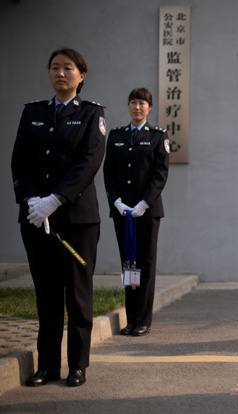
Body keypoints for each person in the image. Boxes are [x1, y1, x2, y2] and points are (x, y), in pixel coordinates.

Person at [11, 48, 106, 387]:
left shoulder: (92, 114)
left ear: (82, 75)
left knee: (78, 295)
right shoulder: (33, 112)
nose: (60, 73)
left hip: (77, 221)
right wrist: (32, 200)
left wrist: (56, 199)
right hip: (37, 219)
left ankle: (77, 365)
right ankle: (48, 366)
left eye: (68, 68)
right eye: (54, 67)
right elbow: (20, 160)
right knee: (47, 294)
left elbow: (89, 162)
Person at [103, 87, 170, 337]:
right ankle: (130, 319)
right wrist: (117, 202)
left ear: (149, 107)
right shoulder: (116, 135)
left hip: (147, 212)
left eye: (142, 103)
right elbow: (109, 173)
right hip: (123, 212)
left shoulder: (157, 136)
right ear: (128, 106)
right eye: (133, 102)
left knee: (145, 263)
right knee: (128, 262)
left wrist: (144, 203)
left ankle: (143, 320)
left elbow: (160, 174)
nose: (137, 107)